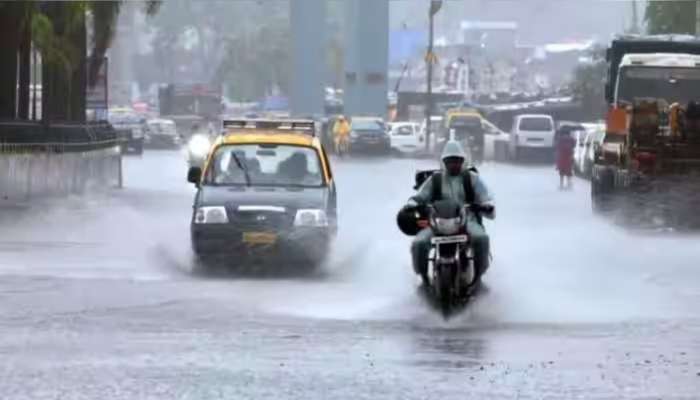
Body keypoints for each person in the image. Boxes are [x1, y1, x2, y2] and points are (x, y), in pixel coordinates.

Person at [404, 140, 495, 288]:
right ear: (444, 161)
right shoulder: (435, 179)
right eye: (450, 161)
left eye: (457, 160)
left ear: (462, 161)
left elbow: (486, 196)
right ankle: (423, 278)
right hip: (438, 221)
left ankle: (479, 277)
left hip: (467, 219)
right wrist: (412, 204)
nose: (454, 164)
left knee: (481, 238)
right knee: (419, 243)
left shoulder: (472, 178)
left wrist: (487, 205)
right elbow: (420, 196)